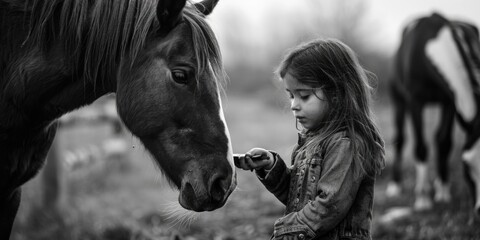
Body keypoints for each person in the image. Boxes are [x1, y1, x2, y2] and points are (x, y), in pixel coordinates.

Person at [236, 38, 385, 240]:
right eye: (291, 95)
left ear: (336, 93)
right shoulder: (312, 140)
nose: (294, 105)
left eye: (303, 95)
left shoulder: (346, 143)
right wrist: (272, 167)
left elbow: (329, 205)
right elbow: (300, 198)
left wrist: (286, 230)